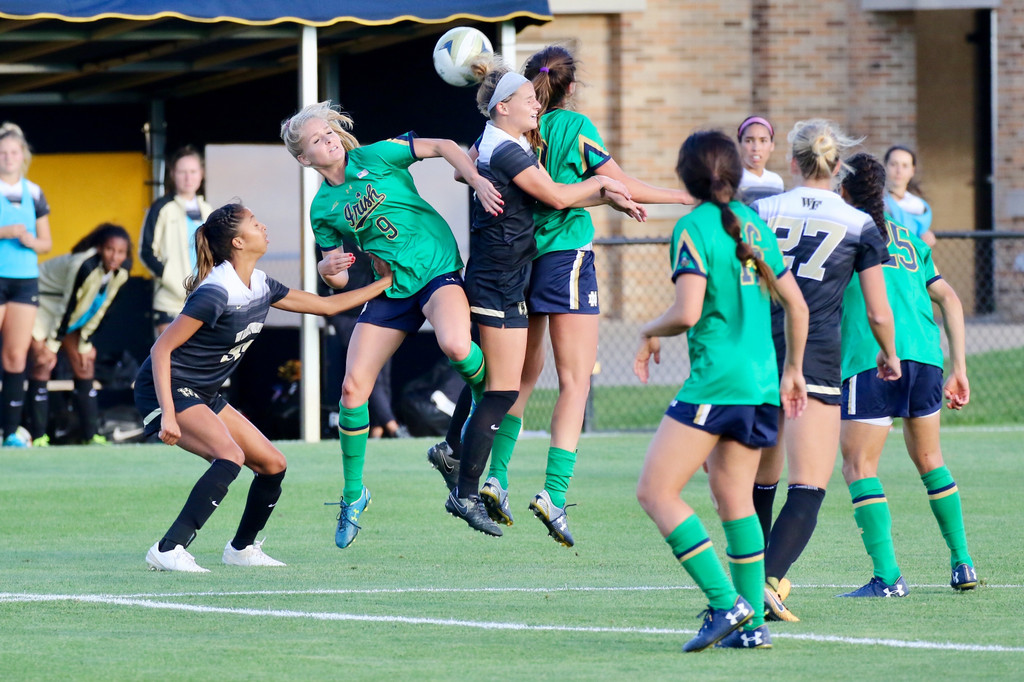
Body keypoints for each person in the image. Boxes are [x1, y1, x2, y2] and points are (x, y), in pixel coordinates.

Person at [429, 44, 691, 547]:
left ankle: (494, 475)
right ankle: (551, 492)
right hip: (563, 256)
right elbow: (615, 180)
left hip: (520, 263)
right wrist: (677, 197)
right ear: (569, 88)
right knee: (573, 381)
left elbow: (461, 161)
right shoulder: (568, 126)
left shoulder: (509, 130)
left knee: (520, 377)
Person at [280, 101, 503, 549]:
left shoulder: (375, 155)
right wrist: (329, 268)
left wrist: (476, 180)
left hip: (437, 270)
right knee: (351, 389)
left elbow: (441, 145)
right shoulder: (323, 207)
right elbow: (337, 276)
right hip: (390, 287)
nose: (329, 140)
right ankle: (352, 495)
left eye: (329, 132)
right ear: (305, 159)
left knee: (458, 347)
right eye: (317, 141)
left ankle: (484, 411)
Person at [136, 202, 391, 572]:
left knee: (273, 465)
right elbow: (161, 349)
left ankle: (241, 549)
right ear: (238, 242)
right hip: (168, 387)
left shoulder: (260, 284)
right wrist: (169, 416)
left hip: (203, 391)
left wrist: (385, 282)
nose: (264, 226)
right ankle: (168, 548)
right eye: (256, 223)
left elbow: (326, 307)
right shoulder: (216, 292)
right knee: (230, 457)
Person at [634, 130, 808, 651]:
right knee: (733, 497)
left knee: (656, 491)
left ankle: (725, 602)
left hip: (717, 383)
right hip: (760, 385)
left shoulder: (692, 227)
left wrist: (648, 331)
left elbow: (687, 312)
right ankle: (752, 626)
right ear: (733, 174)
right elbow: (796, 306)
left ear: (686, 177)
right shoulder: (754, 224)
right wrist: (793, 369)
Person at [750, 119, 901, 623]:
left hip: (756, 356)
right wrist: (888, 352)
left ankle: (748, 581)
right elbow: (879, 311)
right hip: (814, 359)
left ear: (791, 162)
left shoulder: (760, 209)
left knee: (760, 477)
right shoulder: (858, 224)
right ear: (838, 168)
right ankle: (764, 582)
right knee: (809, 485)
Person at [837, 152, 977, 596]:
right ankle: (963, 564)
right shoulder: (910, 238)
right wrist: (959, 369)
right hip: (927, 359)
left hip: (874, 357)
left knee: (860, 466)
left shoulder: (844, 236)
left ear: (845, 191)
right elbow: (951, 300)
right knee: (930, 461)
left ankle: (888, 577)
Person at [27, 223, 132, 446]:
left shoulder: (122, 272)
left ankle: (90, 435)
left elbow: (101, 308)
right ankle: (37, 436)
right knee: (43, 362)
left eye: (121, 252)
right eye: (110, 250)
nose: (115, 256)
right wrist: (52, 346)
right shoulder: (83, 265)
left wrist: (85, 341)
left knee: (85, 364)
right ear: (99, 248)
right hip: (40, 301)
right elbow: (68, 305)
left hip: (67, 313)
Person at [319, 240, 407, 440]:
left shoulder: (375, 238)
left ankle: (377, 427)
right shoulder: (332, 242)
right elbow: (323, 285)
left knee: (382, 373)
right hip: (348, 317)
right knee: (365, 370)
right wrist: (334, 314)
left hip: (377, 313)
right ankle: (392, 426)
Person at [0, 121, 53, 448]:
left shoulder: (35, 192)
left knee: (16, 358)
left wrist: (30, 239)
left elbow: (47, 242)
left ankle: (10, 433)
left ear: (23, 156)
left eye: (13, 152)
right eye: (2, 152)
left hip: (24, 281)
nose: (7, 157)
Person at [139, 145, 215, 335]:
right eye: (182, 172)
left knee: (199, 361)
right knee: (169, 359)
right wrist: (172, 280)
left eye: (193, 171)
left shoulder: (208, 210)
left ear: (201, 174)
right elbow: (146, 252)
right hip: (169, 302)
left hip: (203, 299)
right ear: (172, 174)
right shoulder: (161, 208)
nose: (188, 177)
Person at [883, 145, 935, 247]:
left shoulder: (920, 207)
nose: (899, 171)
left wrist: (927, 240)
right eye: (893, 164)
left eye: (905, 166)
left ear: (912, 171)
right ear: (885, 166)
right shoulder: (875, 201)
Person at [736, 115, 785, 204]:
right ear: (739, 144)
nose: (756, 148)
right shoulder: (734, 180)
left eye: (763, 141)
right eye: (749, 141)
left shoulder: (776, 181)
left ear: (772, 145)